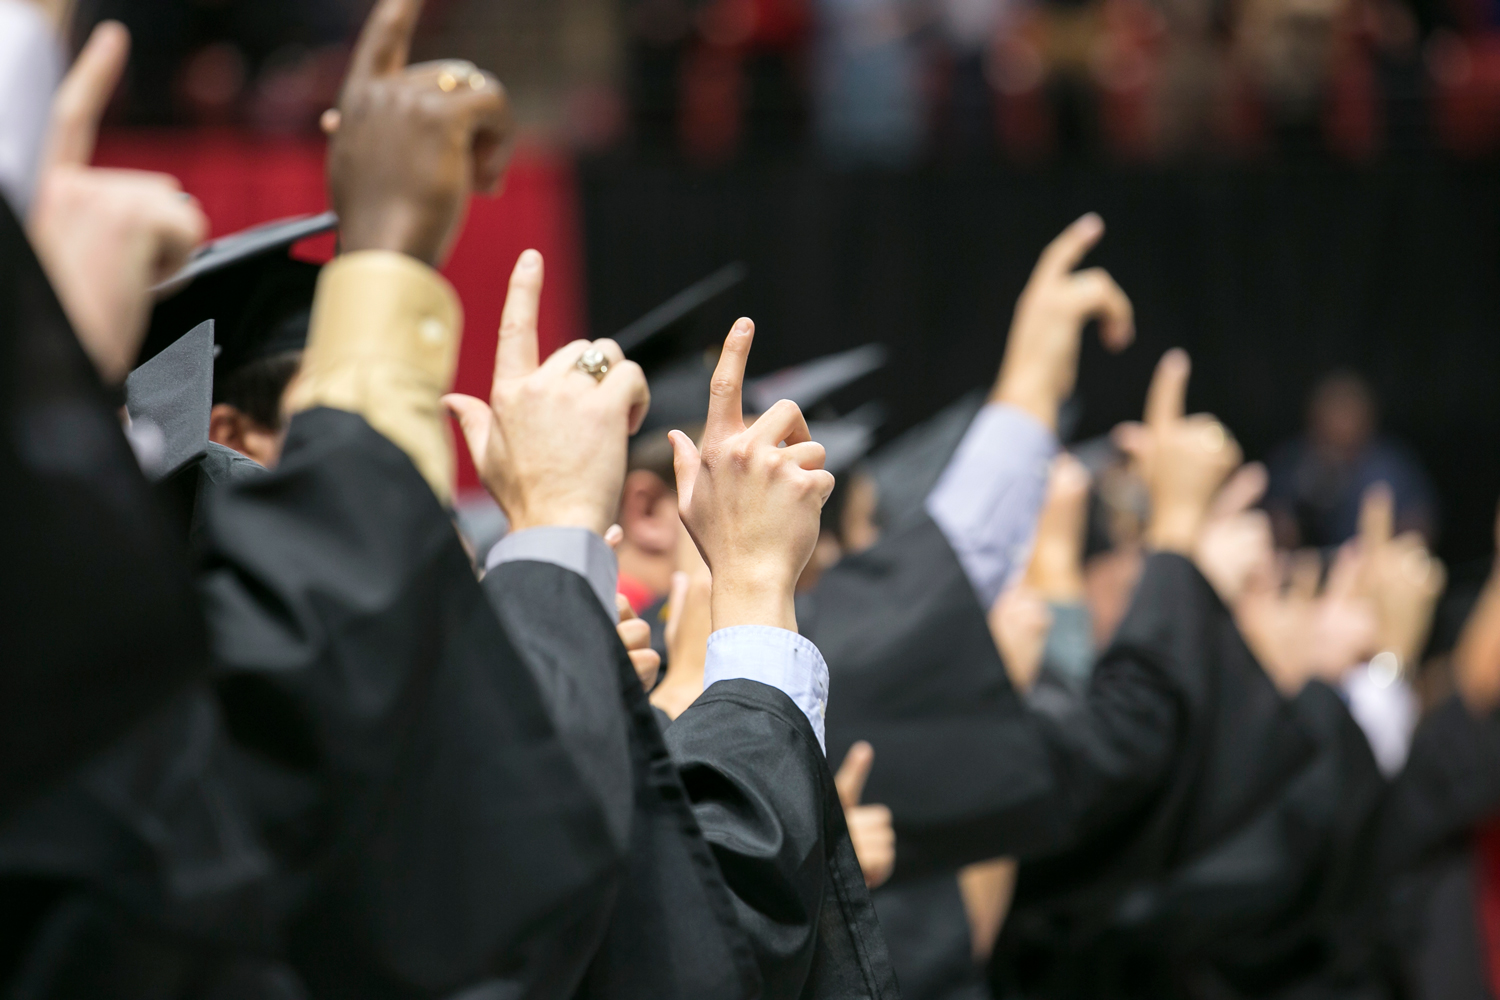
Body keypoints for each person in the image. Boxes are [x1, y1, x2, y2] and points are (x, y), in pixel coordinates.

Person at [1265, 370, 1438, 550]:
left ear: (1369, 419)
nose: (1341, 420)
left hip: (1374, 569)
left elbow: (1421, 525)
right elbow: (1270, 524)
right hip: (1304, 571)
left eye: (1348, 408)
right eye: (1333, 407)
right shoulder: (1291, 461)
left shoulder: (1391, 466)